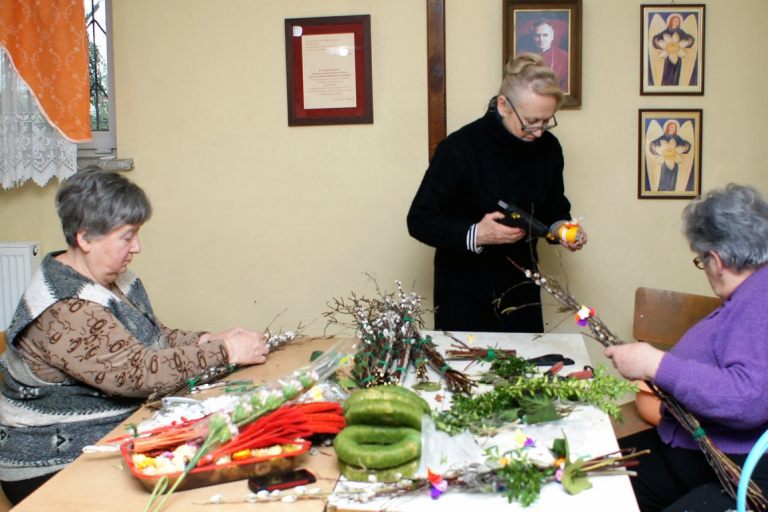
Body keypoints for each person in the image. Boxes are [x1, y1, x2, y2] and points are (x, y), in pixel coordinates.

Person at [0, 167, 270, 504]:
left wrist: (204, 340)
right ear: (85, 238)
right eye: (127, 237)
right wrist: (224, 351)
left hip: (106, 434)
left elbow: (152, 335)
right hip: (49, 465)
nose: (137, 247)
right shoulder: (64, 308)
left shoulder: (114, 280)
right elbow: (137, 373)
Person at [605, 184, 768, 512]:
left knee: (598, 491)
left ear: (717, 260)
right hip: (687, 449)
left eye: (700, 260)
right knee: (594, 476)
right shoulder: (750, 293)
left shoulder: (759, 301)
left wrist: (655, 364)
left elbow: (750, 396)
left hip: (724, 471)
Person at [407, 53, 586, 334]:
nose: (539, 132)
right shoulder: (459, 148)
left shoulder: (549, 149)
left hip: (521, 289)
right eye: (530, 122)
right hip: (462, 295)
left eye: (546, 122)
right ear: (503, 105)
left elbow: (554, 208)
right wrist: (478, 233)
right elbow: (419, 219)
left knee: (526, 374)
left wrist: (562, 229)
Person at [652, 14, 695, 86]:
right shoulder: (666, 31)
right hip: (668, 56)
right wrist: (656, 41)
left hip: (677, 55)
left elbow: (689, 38)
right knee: (667, 71)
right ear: (671, 21)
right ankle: (665, 85)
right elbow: (657, 37)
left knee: (676, 72)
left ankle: (674, 86)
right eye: (675, 21)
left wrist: (689, 41)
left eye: (677, 21)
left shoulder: (680, 32)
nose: (676, 22)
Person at [649, 120, 692, 191]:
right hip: (665, 161)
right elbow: (653, 143)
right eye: (671, 127)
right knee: (663, 176)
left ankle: (671, 189)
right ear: (668, 128)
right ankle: (661, 190)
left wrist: (686, 147)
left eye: (674, 128)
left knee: (673, 177)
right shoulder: (663, 137)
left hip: (674, 161)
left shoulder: (677, 138)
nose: (672, 129)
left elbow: (685, 144)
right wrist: (653, 148)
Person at [531, 19, 569, 92]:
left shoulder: (564, 57)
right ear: (533, 37)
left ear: (552, 36)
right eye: (537, 35)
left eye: (545, 35)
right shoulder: (524, 56)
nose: (541, 39)